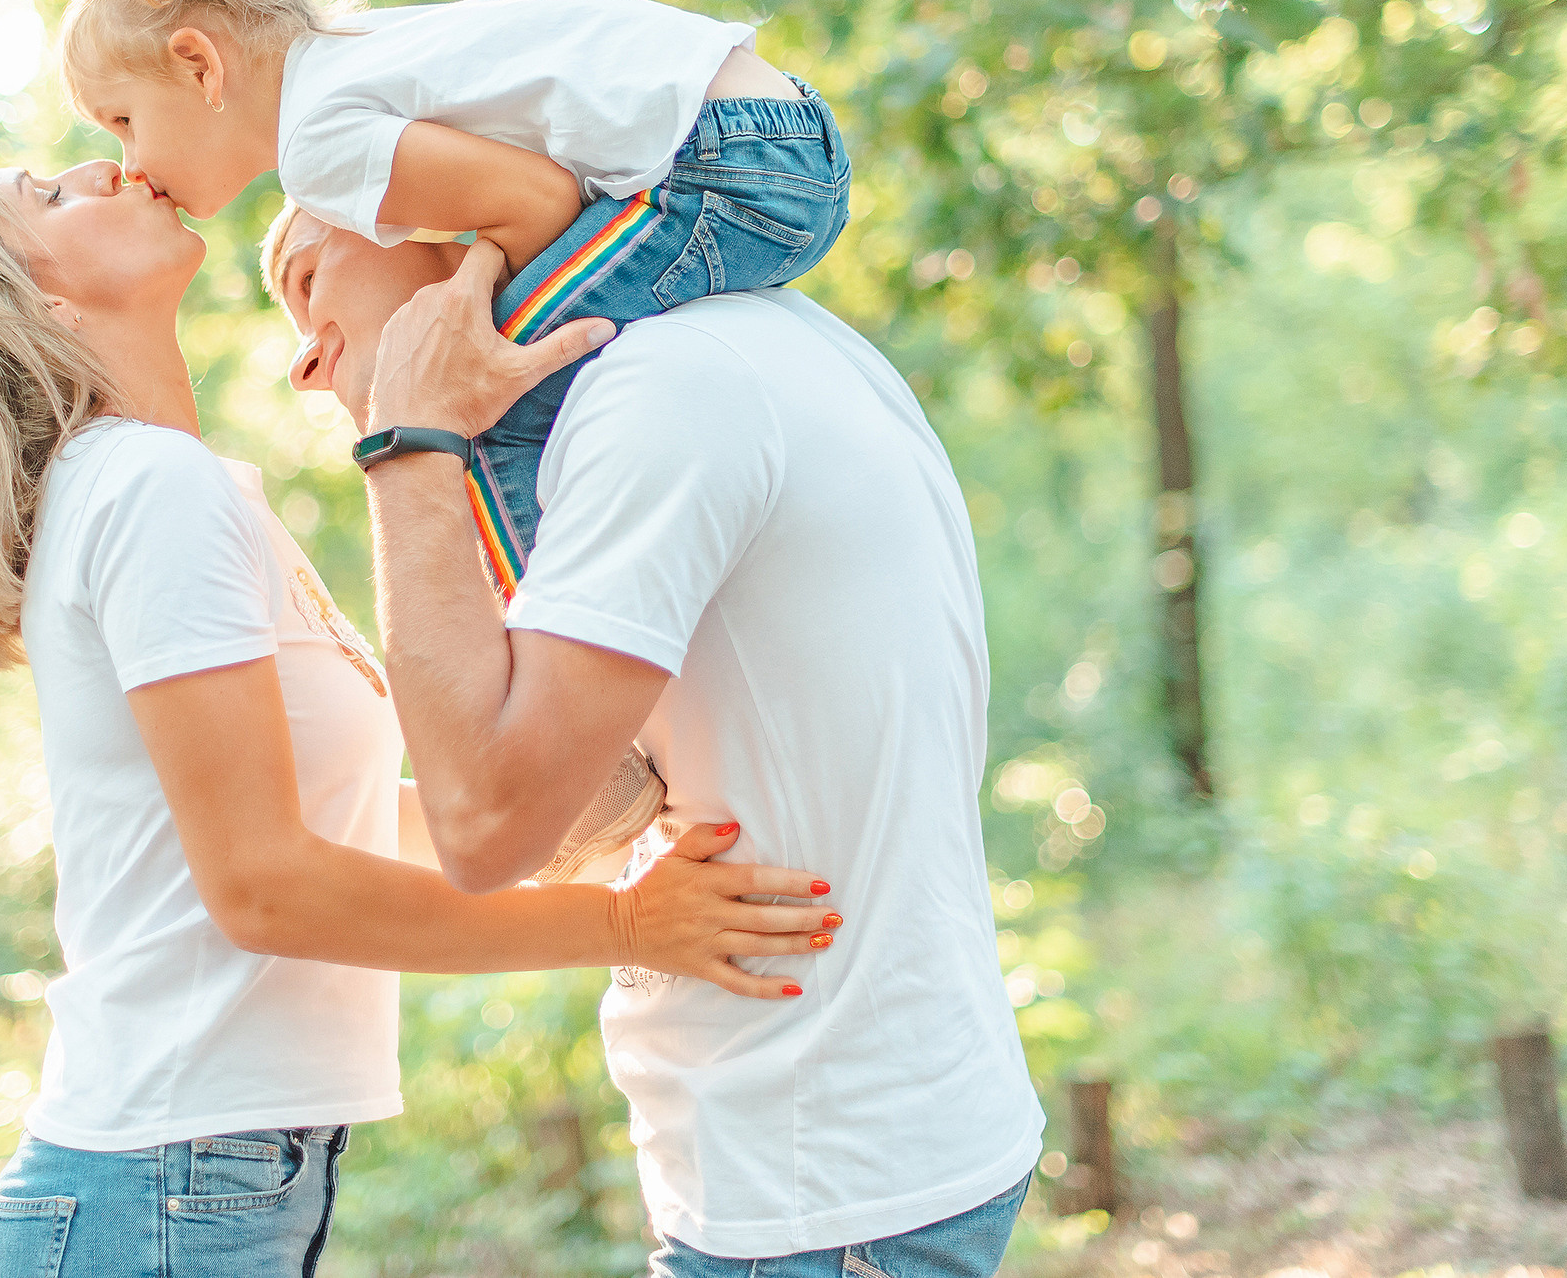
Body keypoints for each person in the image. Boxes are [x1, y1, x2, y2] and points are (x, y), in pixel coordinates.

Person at [0, 160, 842, 1278]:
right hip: (161, 1187)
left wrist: (574, 833)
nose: (101, 165)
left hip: (186, 1176)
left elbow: (320, 823)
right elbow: (264, 883)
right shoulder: (146, 489)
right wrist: (623, 926)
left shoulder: (167, 486)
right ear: (39, 309)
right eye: (51, 199)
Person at [265, 207, 1046, 1276]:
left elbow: (487, 826)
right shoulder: (762, 340)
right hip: (831, 1149)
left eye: (306, 278)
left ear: (414, 209)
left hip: (816, 1184)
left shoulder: (664, 392)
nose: (303, 360)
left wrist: (408, 445)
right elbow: (584, 805)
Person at [54, 0, 850, 594]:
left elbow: (540, 201)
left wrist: (461, 317)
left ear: (199, 65)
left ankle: (560, 674)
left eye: (124, 121)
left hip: (725, 168)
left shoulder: (314, 143)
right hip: (775, 131)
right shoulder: (353, 52)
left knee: (471, 399)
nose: (130, 164)